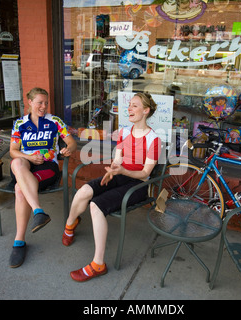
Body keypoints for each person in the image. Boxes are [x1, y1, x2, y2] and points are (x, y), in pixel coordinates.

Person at [63, 92, 162, 282]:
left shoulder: (153, 140)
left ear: (146, 110)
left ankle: (98, 264)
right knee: (84, 190)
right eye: (130, 105)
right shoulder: (124, 132)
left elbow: (144, 173)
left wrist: (122, 171)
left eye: (135, 106)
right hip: (120, 174)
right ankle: (70, 224)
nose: (129, 109)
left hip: (138, 185)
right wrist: (114, 168)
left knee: (96, 205)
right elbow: (118, 158)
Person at [9, 87, 77, 268]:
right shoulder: (20, 124)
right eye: (39, 102)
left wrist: (68, 148)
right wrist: (30, 157)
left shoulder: (54, 121)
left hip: (48, 167)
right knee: (16, 163)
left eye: (46, 103)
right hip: (27, 163)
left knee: (19, 188)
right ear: (29, 102)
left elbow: (71, 141)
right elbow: (13, 151)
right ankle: (38, 210)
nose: (43, 106)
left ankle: (19, 241)